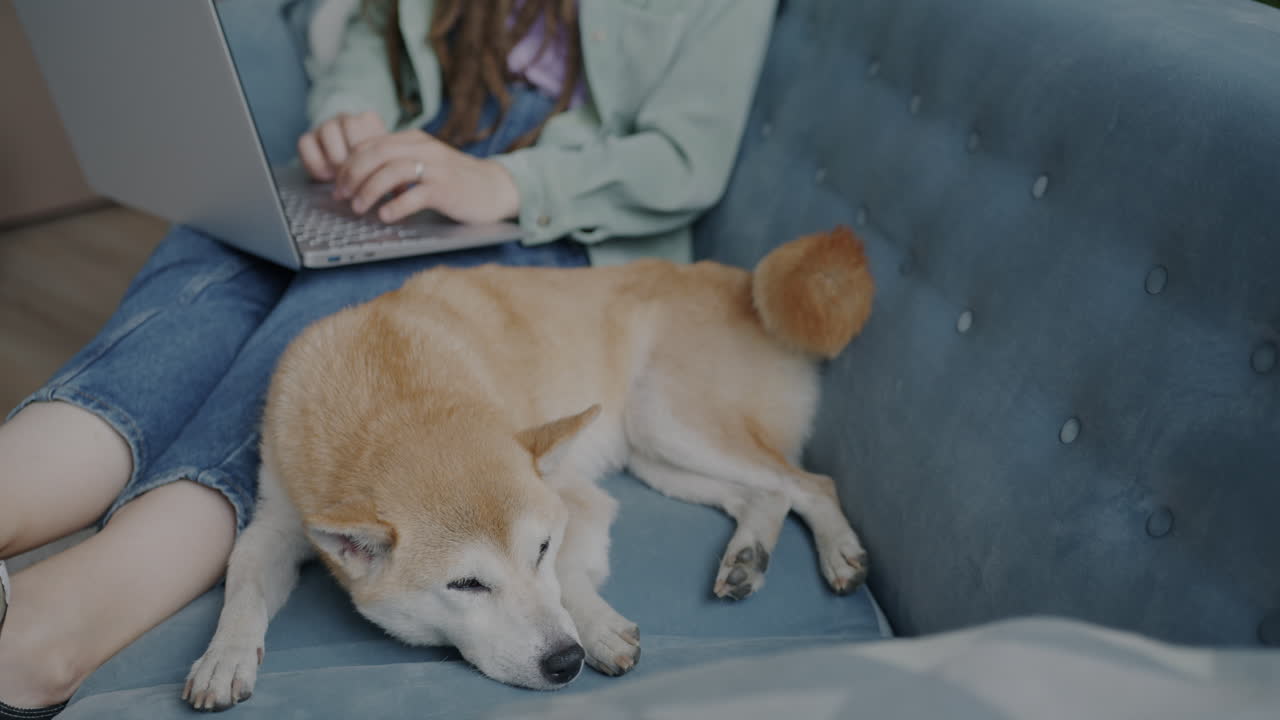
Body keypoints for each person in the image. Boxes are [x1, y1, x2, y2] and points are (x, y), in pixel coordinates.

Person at [0, 0, 776, 715]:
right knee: (217, 239)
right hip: (405, 169)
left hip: (549, 220)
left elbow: (685, 158)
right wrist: (349, 124)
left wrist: (499, 181)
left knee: (339, 316)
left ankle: (67, 616)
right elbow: (376, 34)